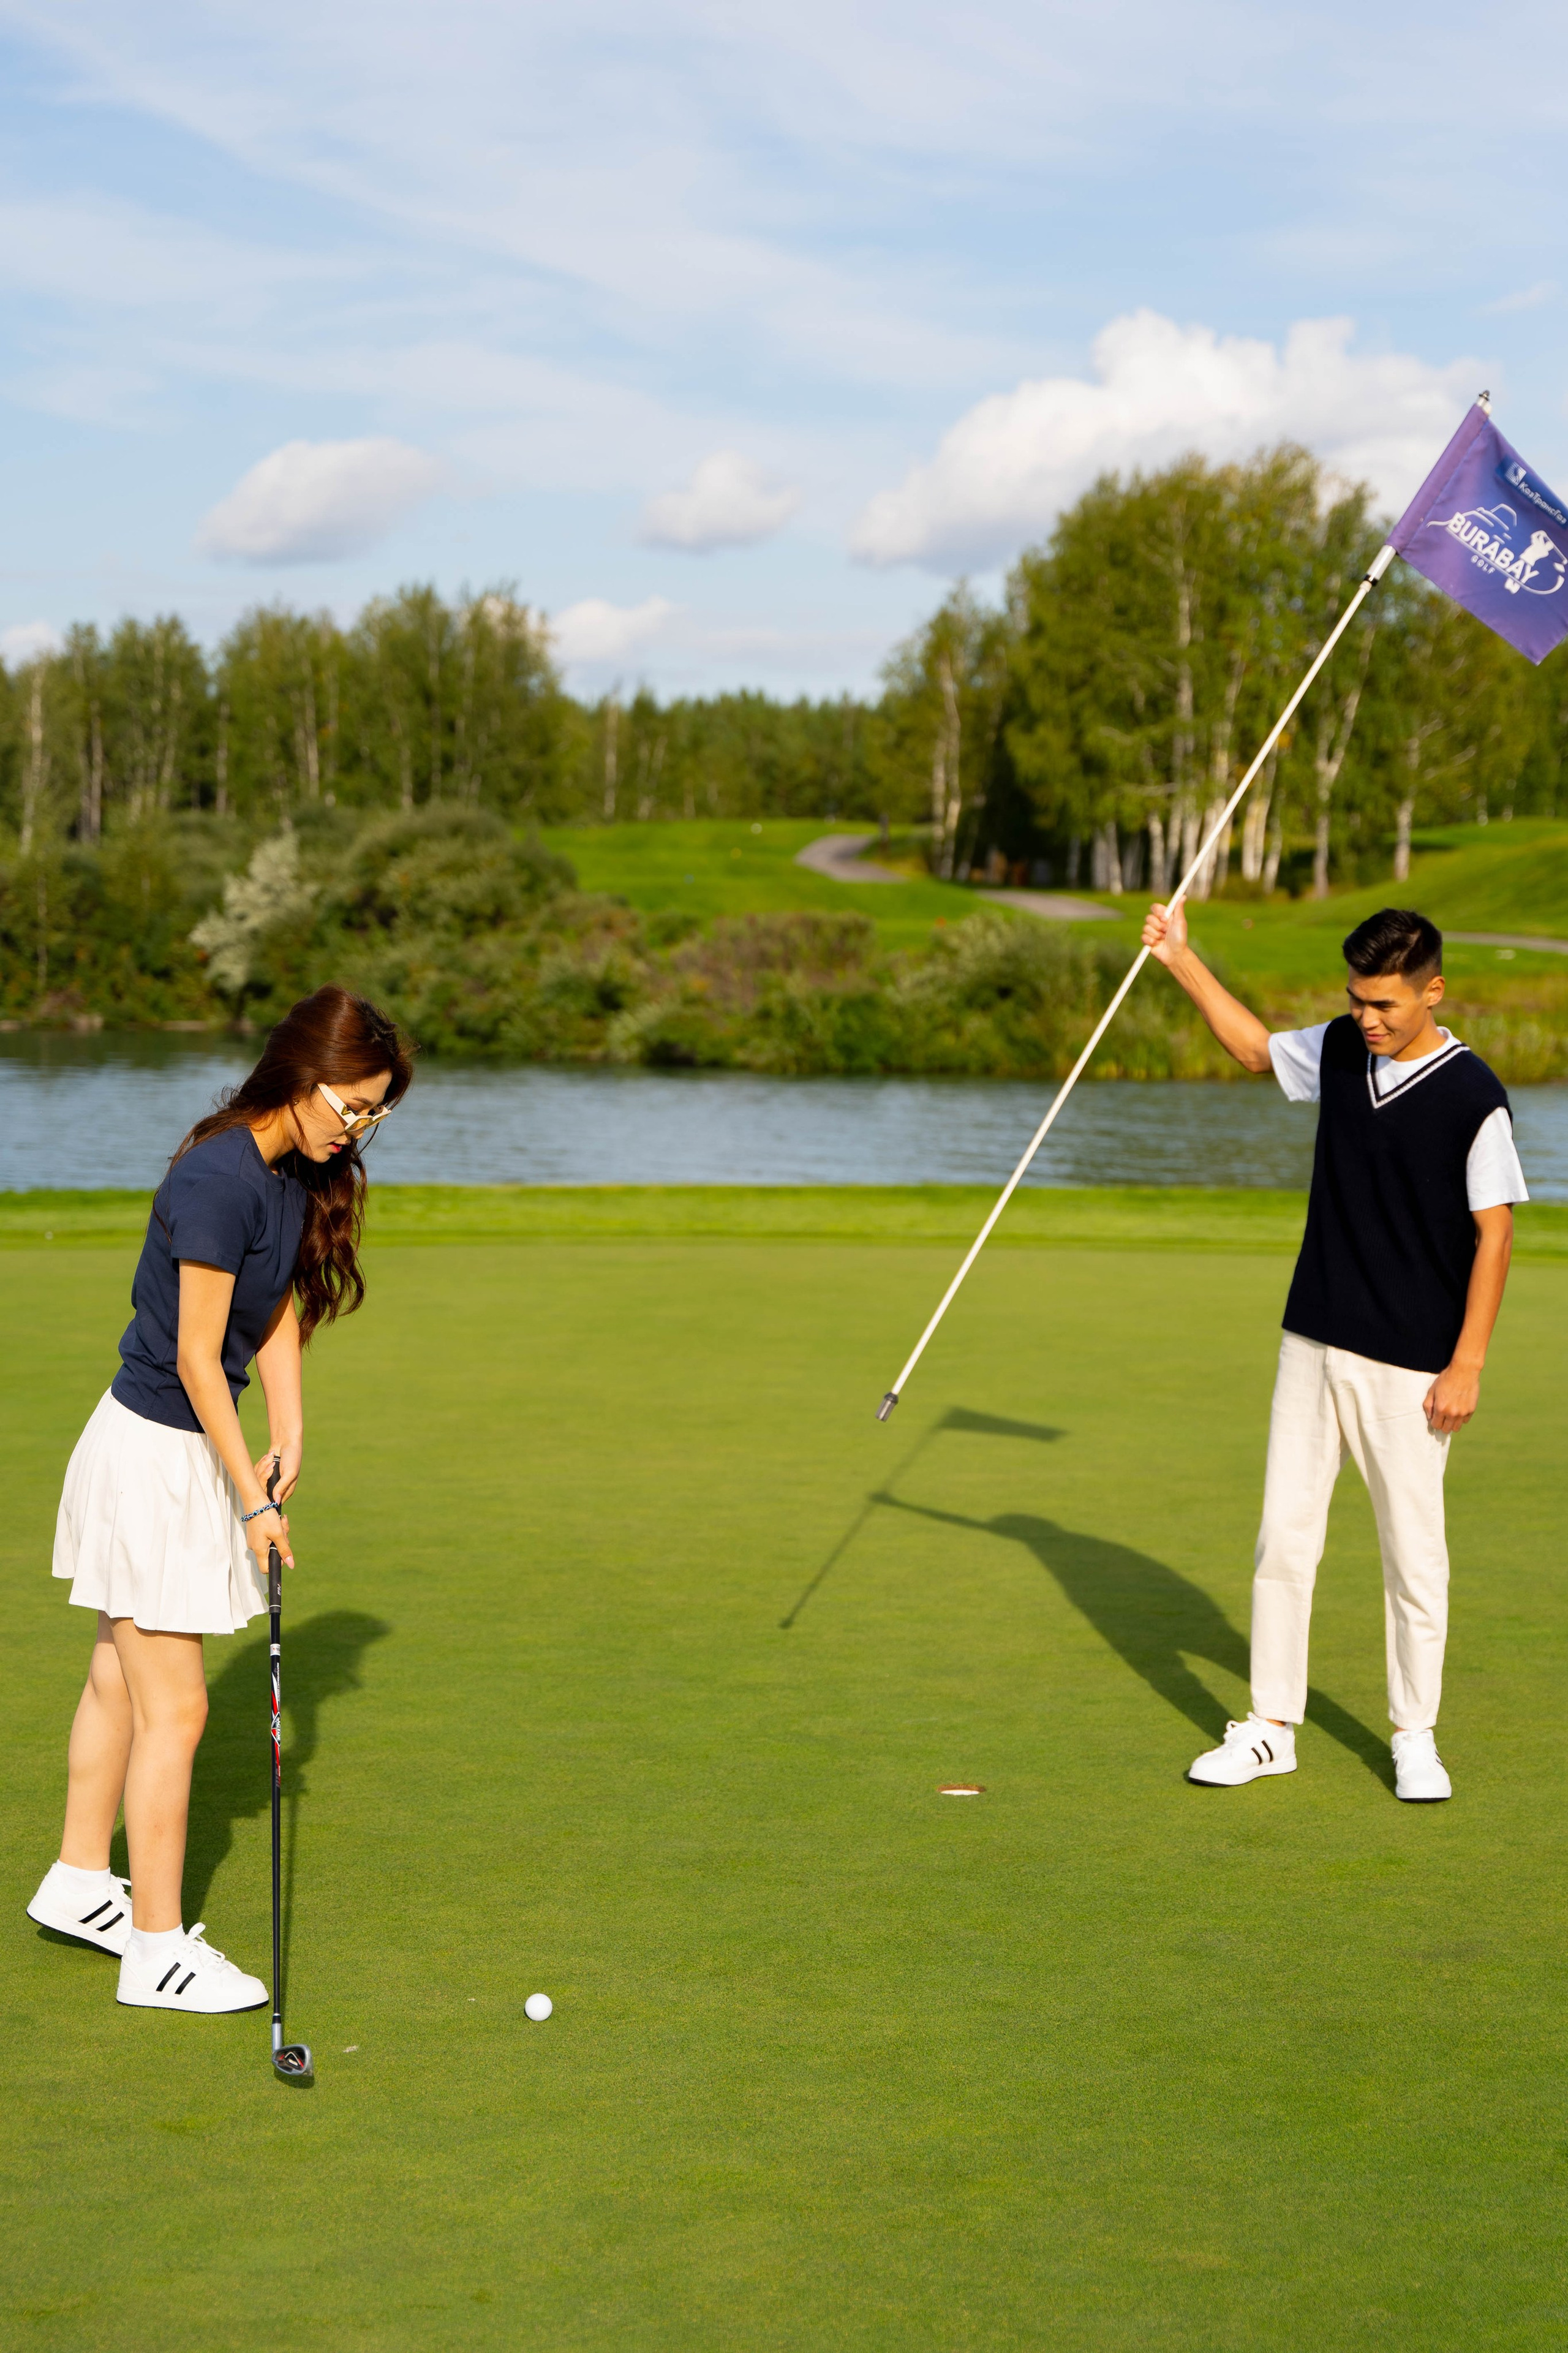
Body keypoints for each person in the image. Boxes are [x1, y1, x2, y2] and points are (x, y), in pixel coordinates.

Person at [27, 986, 412, 2011]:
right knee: (179, 1707)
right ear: (301, 1074)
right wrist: (252, 1499)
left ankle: (76, 1879)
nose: (362, 1126)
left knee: (120, 1676)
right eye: (355, 1103)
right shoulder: (217, 1176)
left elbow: (273, 1302)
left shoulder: (289, 1171)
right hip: (156, 1451)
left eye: (378, 1111)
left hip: (181, 1450)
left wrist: (291, 1426)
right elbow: (201, 1358)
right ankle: (156, 1950)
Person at [1141, 902, 1524, 1802]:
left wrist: (1468, 1362)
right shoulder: (1344, 1049)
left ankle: (1414, 1735)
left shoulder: (1476, 1095)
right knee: (1285, 1539)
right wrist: (1179, 957)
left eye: (1386, 1003)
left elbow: (1496, 1235)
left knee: (1413, 1557)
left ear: (1434, 990)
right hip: (1312, 1335)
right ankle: (1272, 1725)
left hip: (1413, 1363)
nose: (1368, 1018)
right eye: (1357, 999)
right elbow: (1252, 1050)